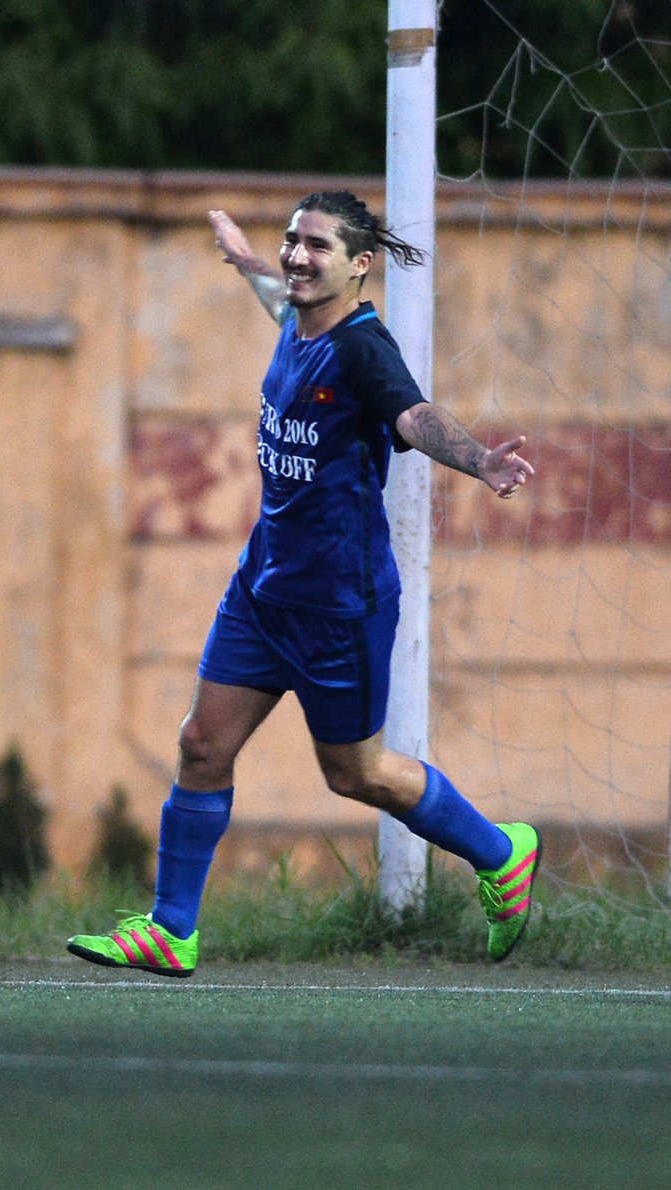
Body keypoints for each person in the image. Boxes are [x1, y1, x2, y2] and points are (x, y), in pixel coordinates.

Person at [68, 193, 540, 977]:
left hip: (339, 609)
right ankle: (171, 928)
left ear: (359, 265)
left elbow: (414, 416)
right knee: (200, 744)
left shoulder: (363, 348)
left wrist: (482, 461)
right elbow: (273, 299)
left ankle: (500, 854)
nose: (296, 256)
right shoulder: (297, 319)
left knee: (355, 773)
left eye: (315, 246)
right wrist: (246, 260)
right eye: (291, 240)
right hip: (263, 590)